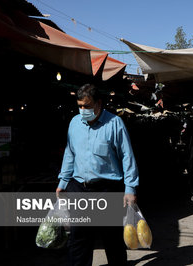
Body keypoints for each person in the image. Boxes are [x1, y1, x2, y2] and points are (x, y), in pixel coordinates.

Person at [56, 83, 139, 266]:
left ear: (99, 103)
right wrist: (63, 182)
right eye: (80, 106)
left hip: (107, 189)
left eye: (87, 106)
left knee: (112, 241)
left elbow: (127, 157)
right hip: (79, 188)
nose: (83, 110)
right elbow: (70, 154)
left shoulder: (114, 123)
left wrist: (130, 188)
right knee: (79, 241)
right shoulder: (74, 123)